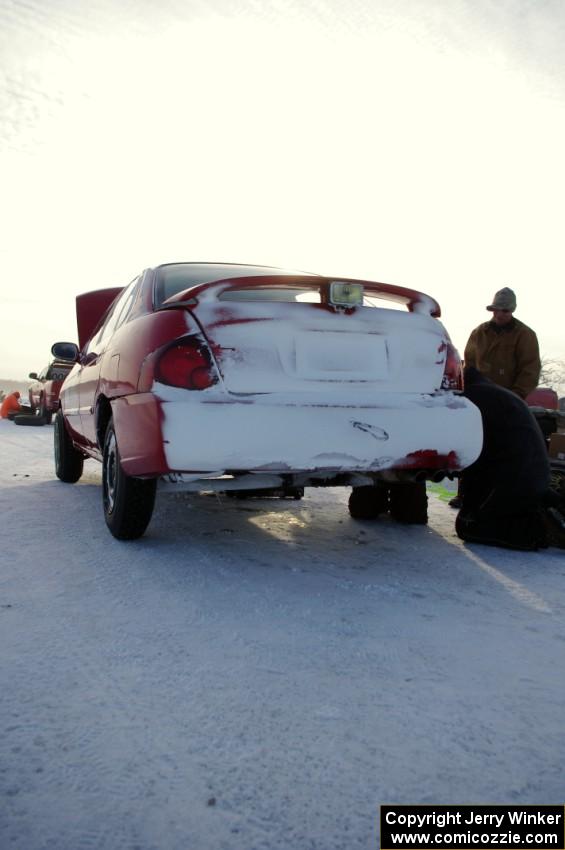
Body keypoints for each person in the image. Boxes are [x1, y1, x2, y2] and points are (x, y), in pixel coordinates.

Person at [455, 367, 565, 551]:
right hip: (535, 479)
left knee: (468, 527)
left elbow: (473, 457)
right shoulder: (499, 394)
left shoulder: (470, 400)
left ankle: (540, 530)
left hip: (514, 481)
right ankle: (546, 508)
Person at [449, 287, 541, 508]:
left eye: (505, 311)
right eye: (497, 310)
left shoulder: (525, 335)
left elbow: (530, 370)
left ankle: (492, 499)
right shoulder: (479, 332)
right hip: (479, 401)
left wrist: (516, 398)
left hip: (507, 404)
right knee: (473, 448)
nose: (500, 314)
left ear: (512, 311)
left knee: (501, 451)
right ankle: (466, 495)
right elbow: (468, 365)